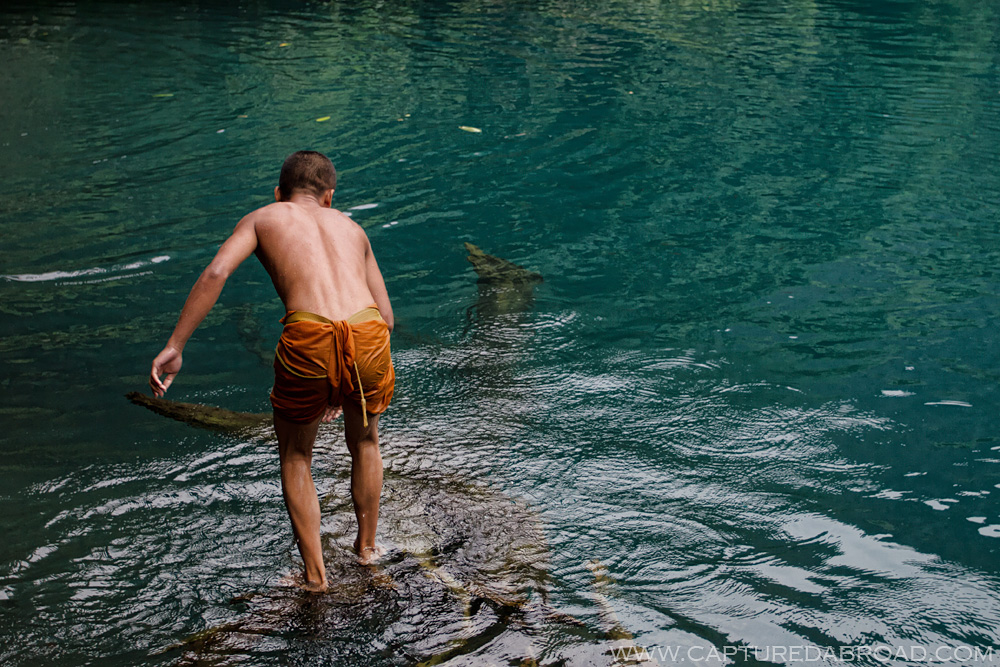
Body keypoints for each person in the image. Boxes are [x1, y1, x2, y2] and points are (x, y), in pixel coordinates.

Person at [148, 150, 395, 589]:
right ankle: (367, 552)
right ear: (329, 197)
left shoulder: (265, 217)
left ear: (279, 193)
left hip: (311, 337)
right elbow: (388, 319)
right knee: (365, 441)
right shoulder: (353, 229)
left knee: (298, 455)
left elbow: (216, 273)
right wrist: (343, 375)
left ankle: (316, 579)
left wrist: (175, 346)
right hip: (368, 335)